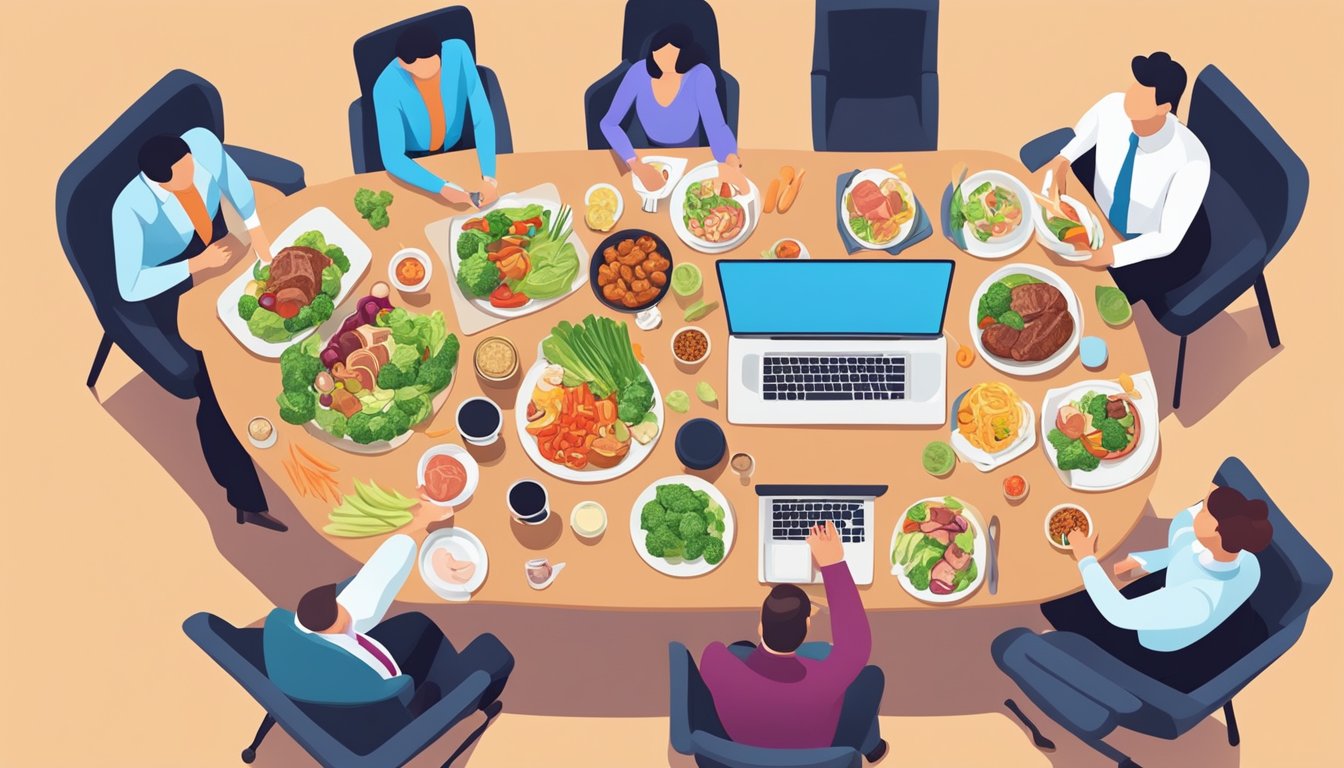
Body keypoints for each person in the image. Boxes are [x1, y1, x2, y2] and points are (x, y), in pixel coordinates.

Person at [112, 129, 285, 532]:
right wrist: (194, 266)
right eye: (182, 174)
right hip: (171, 279)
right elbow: (130, 285)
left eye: (191, 164)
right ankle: (245, 500)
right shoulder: (130, 210)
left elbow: (232, 180)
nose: (193, 173)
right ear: (159, 182)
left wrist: (256, 229)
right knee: (215, 384)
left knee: (283, 300)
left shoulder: (201, 145)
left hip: (217, 249)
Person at [1044, 483, 1274, 692]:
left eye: (1203, 510)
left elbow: (1119, 613)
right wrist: (1144, 562)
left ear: (1216, 532)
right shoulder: (1247, 561)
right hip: (1197, 620)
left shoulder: (1198, 601)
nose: (1198, 510)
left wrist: (1085, 557)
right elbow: (1188, 552)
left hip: (1155, 650)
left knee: (1056, 605)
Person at [700, 522, 887, 763]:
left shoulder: (718, 665)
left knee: (739, 648)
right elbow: (856, 644)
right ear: (807, 626)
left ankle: (871, 745)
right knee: (871, 677)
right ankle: (871, 746)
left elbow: (715, 650)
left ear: (761, 624)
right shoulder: (827, 679)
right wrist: (832, 564)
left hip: (743, 751)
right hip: (816, 752)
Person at [264, 534, 513, 714]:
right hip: (402, 703)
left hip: (331, 691)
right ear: (333, 626)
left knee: (418, 623)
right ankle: (478, 701)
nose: (346, 607)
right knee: (496, 654)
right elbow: (400, 685)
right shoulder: (381, 682)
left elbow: (360, 590)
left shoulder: (297, 635)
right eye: (341, 608)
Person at [1044, 52, 1210, 304]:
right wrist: (1061, 163)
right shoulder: (1112, 106)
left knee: (1082, 297)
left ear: (1163, 107)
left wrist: (1109, 255)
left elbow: (1167, 239)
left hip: (1151, 244)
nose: (1131, 93)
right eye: (1136, 84)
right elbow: (1077, 140)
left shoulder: (1192, 161)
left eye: (1144, 90)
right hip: (1101, 215)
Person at [600, 24, 748, 195]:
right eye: (658, 52)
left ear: (685, 53)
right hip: (649, 155)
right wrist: (634, 162)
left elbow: (716, 127)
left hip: (690, 155)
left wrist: (730, 159)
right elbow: (609, 123)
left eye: (671, 53)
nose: (662, 59)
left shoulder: (699, 75)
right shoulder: (639, 72)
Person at [373, 22, 498, 208]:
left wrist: (489, 178)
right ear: (403, 64)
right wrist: (441, 187)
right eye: (419, 73)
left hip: (457, 150)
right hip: (415, 161)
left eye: (434, 70)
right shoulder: (385, 86)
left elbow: (481, 114)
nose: (428, 77)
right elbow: (392, 157)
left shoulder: (458, 52)